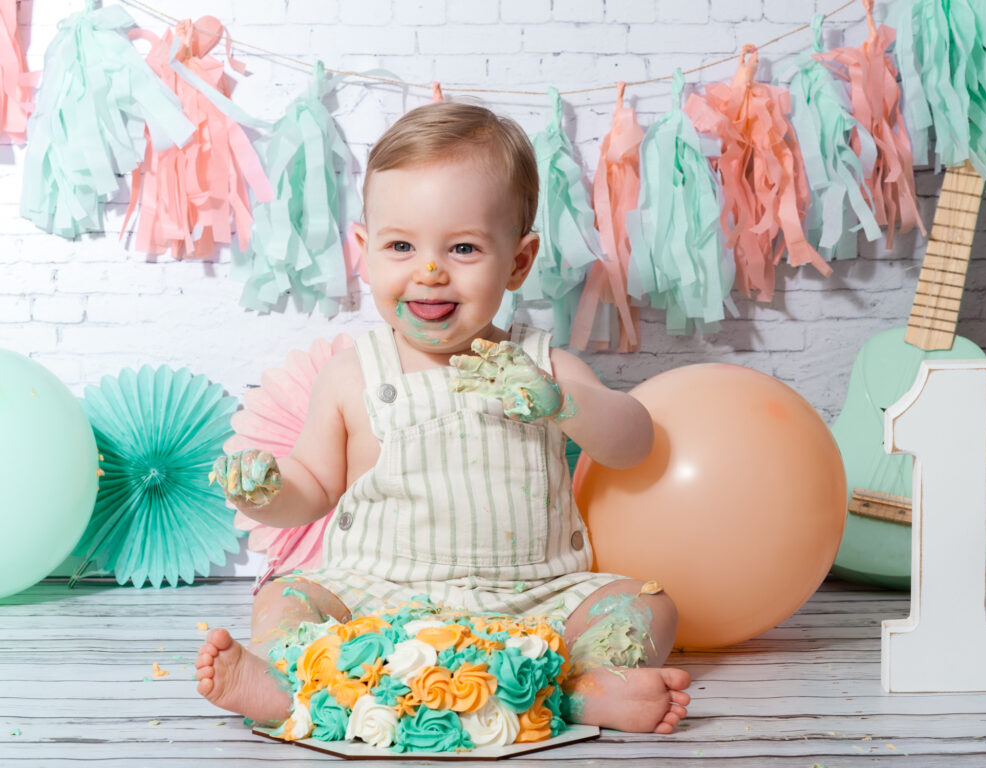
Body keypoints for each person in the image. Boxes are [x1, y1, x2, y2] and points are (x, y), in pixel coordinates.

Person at [195, 101, 691, 734]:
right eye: (401, 245)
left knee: (646, 605)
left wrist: (563, 402)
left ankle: (574, 688)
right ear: (364, 251)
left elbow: (633, 441)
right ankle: (293, 680)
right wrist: (265, 493)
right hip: (378, 594)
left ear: (518, 260)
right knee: (285, 597)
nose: (429, 271)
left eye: (463, 247)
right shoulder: (355, 374)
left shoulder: (541, 364)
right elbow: (312, 488)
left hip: (531, 599)